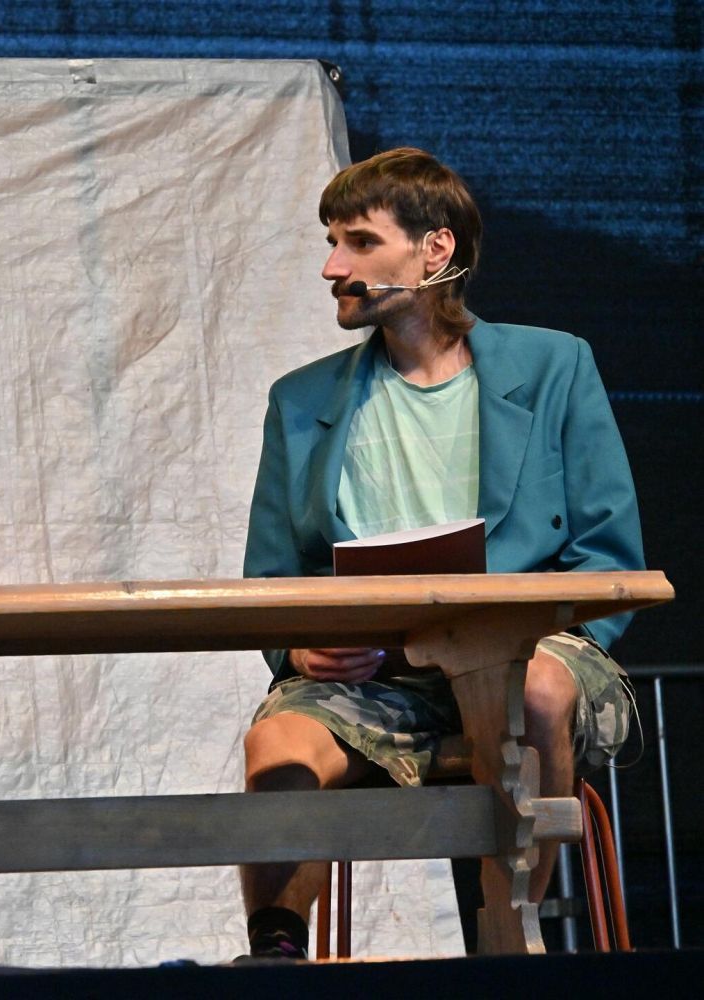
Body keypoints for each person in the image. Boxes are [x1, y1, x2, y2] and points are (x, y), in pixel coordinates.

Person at [238, 147, 643, 960]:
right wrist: (304, 649)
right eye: (331, 242)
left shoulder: (554, 366)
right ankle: (275, 956)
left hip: (531, 654)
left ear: (435, 249)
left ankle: (511, 940)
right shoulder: (301, 400)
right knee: (276, 746)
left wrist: (536, 640)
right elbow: (275, 577)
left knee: (535, 689)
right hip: (377, 678)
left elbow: (608, 553)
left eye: (359, 241)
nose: (333, 267)